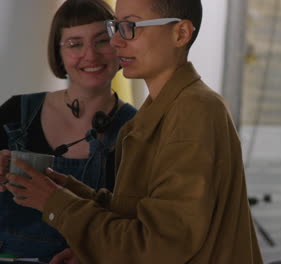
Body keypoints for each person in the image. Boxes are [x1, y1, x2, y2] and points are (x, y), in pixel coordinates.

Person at [5, 0, 263, 263]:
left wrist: (55, 203)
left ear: (180, 34)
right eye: (116, 27)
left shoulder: (195, 110)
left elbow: (159, 246)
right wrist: (66, 190)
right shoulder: (158, 112)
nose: (116, 42)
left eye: (130, 27)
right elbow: (134, 213)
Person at [0, 0, 137, 262]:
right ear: (58, 53)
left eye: (101, 41)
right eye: (75, 44)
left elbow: (135, 226)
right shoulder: (15, 112)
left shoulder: (139, 130)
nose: (91, 55)